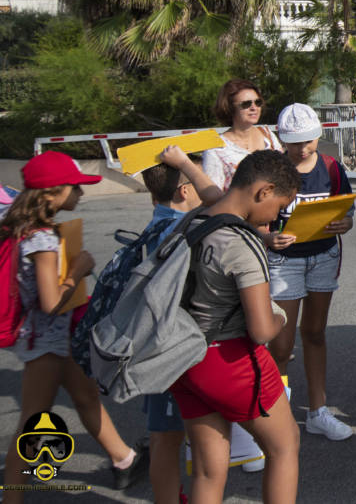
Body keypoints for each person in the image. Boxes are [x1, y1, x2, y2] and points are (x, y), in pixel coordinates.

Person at [1, 152, 150, 501]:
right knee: (31, 425)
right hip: (44, 344)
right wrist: (77, 271)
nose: (81, 194)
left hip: (56, 338)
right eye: (75, 188)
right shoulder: (42, 241)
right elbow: (52, 302)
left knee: (85, 396)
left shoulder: (27, 228)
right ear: (52, 193)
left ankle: (124, 459)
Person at [168, 150, 301, 504]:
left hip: (182, 357)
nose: (276, 217)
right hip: (230, 361)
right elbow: (261, 330)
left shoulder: (193, 220)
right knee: (284, 446)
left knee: (208, 469)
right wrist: (280, 314)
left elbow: (213, 195)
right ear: (264, 191)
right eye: (279, 206)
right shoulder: (243, 244)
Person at [200, 78, 280, 469]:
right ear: (228, 108)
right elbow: (215, 200)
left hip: (272, 239)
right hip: (238, 245)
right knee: (244, 331)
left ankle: (252, 427)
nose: (253, 108)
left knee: (258, 337)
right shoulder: (216, 147)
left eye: (257, 101)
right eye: (245, 103)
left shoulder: (269, 137)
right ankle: (245, 433)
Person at [268, 103, 354, 441]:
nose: (302, 148)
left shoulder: (331, 167)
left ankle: (318, 411)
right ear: (281, 140)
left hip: (323, 256)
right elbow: (251, 216)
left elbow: (346, 208)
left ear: (318, 135)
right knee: (281, 344)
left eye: (307, 140)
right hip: (283, 261)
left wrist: (345, 223)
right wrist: (267, 237)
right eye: (293, 142)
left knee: (315, 333)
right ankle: (276, 419)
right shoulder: (271, 170)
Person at [139, 159, 212, 504]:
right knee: (171, 437)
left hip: (155, 344)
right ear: (184, 191)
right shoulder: (178, 231)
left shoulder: (157, 222)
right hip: (172, 348)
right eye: (196, 180)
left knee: (165, 434)